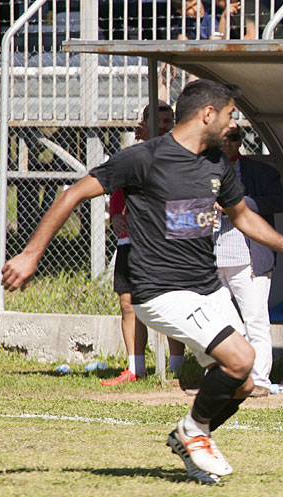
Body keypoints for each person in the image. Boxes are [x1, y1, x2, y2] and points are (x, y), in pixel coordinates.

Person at [2, 80, 283, 484]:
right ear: (207, 114)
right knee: (242, 358)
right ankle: (194, 432)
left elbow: (243, 216)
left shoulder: (215, 163)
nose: (232, 124)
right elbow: (71, 194)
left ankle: (191, 435)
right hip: (160, 290)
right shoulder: (143, 159)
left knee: (243, 382)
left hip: (207, 288)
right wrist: (31, 253)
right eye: (229, 115)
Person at [170, 122, 283, 397]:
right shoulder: (200, 171)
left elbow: (278, 202)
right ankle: (223, 378)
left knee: (255, 319)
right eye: (223, 139)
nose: (228, 144)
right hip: (210, 258)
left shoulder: (258, 172)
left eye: (233, 138)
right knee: (215, 321)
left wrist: (237, 205)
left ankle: (259, 380)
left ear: (240, 141)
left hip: (247, 258)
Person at [103, 100, 186, 386]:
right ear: (144, 125)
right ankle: (135, 368)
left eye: (168, 121)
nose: (163, 127)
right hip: (132, 241)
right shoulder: (132, 156)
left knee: (173, 300)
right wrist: (115, 216)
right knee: (129, 303)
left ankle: (178, 368)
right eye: (158, 122)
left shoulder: (180, 155)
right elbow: (116, 191)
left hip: (166, 243)